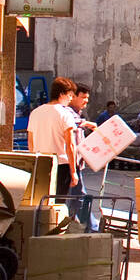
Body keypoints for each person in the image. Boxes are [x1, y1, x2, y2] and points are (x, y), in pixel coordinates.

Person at [26, 76, 79, 204]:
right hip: (61, 164)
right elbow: (70, 145)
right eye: (70, 95)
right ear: (62, 94)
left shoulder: (35, 113)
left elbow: (30, 142)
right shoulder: (65, 114)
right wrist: (73, 171)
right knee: (58, 204)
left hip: (40, 163)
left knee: (41, 202)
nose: (71, 99)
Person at [68, 83, 99, 231]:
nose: (86, 101)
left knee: (77, 197)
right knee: (80, 196)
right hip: (69, 163)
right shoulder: (68, 113)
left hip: (77, 163)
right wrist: (87, 124)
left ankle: (83, 226)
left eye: (87, 98)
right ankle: (92, 228)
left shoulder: (78, 115)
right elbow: (70, 123)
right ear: (73, 97)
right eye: (83, 97)